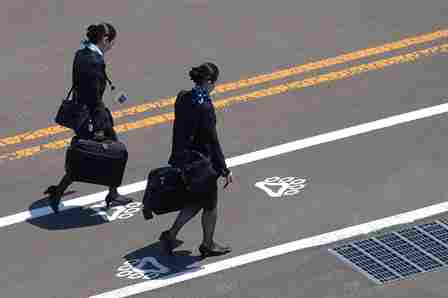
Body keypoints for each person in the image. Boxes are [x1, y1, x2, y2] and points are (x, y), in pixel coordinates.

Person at [44, 23, 132, 213]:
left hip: (83, 112)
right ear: (104, 40)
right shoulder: (94, 61)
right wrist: (99, 127)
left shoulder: (82, 53)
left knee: (86, 152)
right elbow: (93, 97)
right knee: (98, 153)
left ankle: (109, 192)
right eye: (111, 42)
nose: (112, 46)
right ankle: (62, 192)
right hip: (92, 116)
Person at [159, 62, 233, 257]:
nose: (214, 86)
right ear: (208, 82)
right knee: (210, 205)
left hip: (184, 160)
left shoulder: (183, 97)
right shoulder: (205, 107)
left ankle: (171, 233)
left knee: (195, 200)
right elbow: (212, 141)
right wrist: (224, 168)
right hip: (201, 165)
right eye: (214, 83)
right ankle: (208, 244)